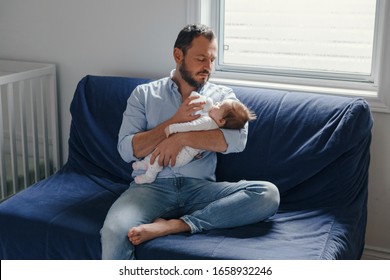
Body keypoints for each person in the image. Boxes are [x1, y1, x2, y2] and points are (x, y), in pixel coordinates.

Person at [100, 24, 280, 260]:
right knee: (113, 231)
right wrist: (173, 123)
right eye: (201, 58)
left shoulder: (223, 97)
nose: (208, 67)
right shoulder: (144, 95)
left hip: (200, 189)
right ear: (178, 55)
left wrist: (183, 138)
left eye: (212, 59)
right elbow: (127, 149)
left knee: (268, 194)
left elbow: (237, 141)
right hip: (151, 188)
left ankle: (178, 225)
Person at [132, 92, 257, 184]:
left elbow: (190, 126)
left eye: (218, 105)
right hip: (186, 157)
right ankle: (145, 164)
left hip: (185, 163)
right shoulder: (213, 123)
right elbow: (127, 149)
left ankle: (150, 175)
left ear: (221, 120)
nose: (216, 103)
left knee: (160, 156)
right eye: (200, 59)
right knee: (159, 151)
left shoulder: (208, 121)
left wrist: (173, 129)